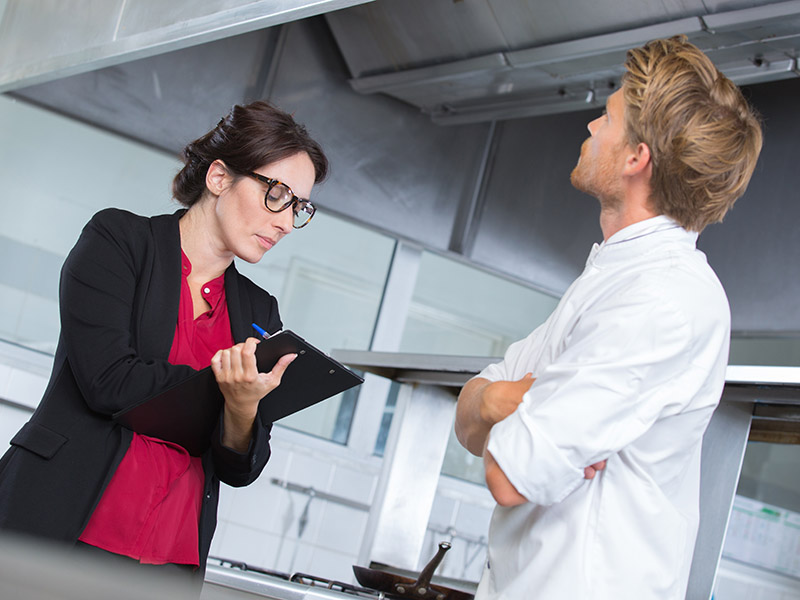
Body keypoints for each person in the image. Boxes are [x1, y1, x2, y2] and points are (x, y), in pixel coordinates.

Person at [455, 35, 762, 600]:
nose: (592, 127)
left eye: (607, 115)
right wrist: (501, 402)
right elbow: (470, 417)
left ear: (635, 158)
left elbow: (507, 474)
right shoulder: (613, 279)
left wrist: (509, 410)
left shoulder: (662, 301)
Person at [0, 101, 328, 580]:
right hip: (58, 528)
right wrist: (227, 394)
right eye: (276, 194)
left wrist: (241, 412)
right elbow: (109, 380)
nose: (284, 221)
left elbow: (241, 467)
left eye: (299, 207)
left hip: (169, 560)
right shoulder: (118, 241)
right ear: (219, 177)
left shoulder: (260, 311)